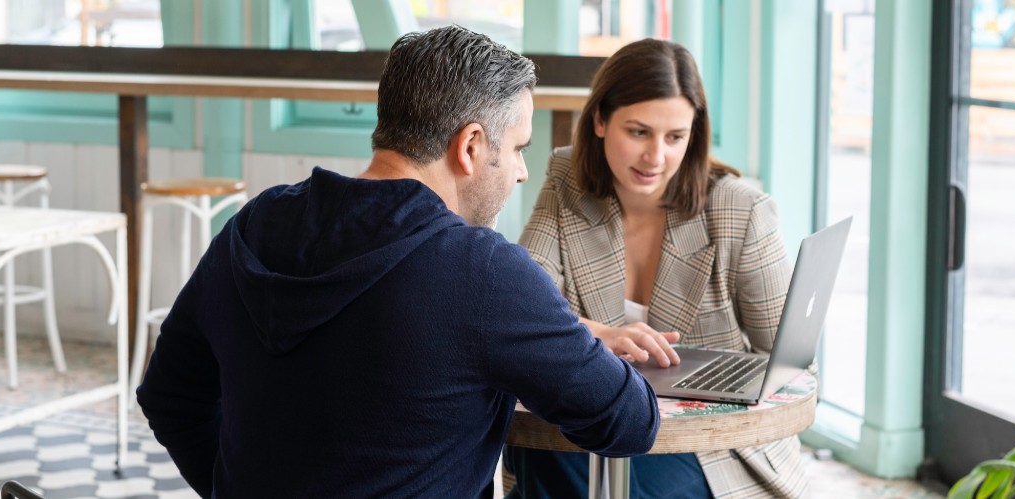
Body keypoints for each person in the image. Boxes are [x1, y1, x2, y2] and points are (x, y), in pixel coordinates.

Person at [135, 25, 661, 498]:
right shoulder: (483, 272)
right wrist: (568, 336)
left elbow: (167, 395)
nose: (522, 171)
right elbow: (630, 422)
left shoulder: (253, 225)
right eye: (518, 147)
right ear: (471, 146)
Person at [506, 38, 810, 498]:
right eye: (639, 132)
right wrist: (599, 334)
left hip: (710, 446)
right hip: (600, 419)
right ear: (600, 120)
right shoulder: (568, 178)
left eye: (675, 137)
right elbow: (522, 310)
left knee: (567, 465)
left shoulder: (741, 211)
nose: (656, 157)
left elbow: (790, 365)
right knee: (551, 449)